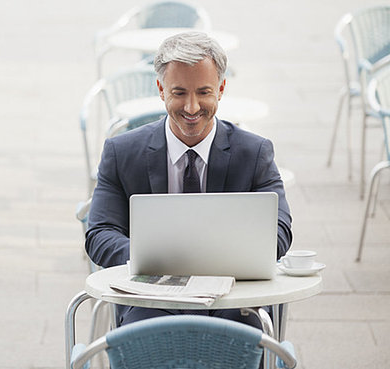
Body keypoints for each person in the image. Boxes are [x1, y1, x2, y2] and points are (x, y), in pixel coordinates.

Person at [85, 31, 292, 328]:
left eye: (204, 92)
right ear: (161, 89)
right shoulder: (122, 152)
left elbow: (280, 232)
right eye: (179, 93)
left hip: (233, 301)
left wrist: (211, 262)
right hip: (151, 301)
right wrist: (151, 260)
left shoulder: (254, 153)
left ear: (221, 89)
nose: (192, 107)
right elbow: (100, 234)